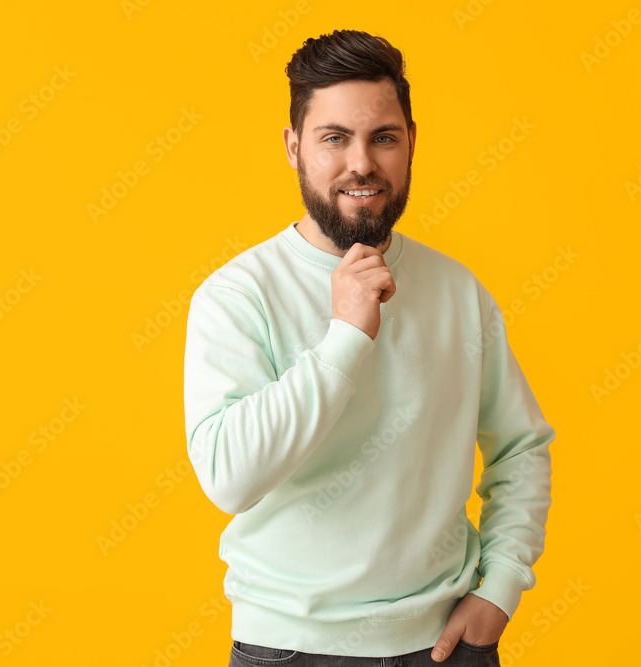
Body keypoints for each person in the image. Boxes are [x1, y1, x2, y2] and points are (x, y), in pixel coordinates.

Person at [182, 29, 554, 667]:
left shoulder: (458, 290)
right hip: (290, 649)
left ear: (411, 142)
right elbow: (228, 476)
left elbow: (521, 448)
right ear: (294, 148)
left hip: (447, 646)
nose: (362, 163)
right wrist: (346, 337)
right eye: (334, 138)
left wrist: (501, 587)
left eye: (383, 137)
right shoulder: (237, 294)